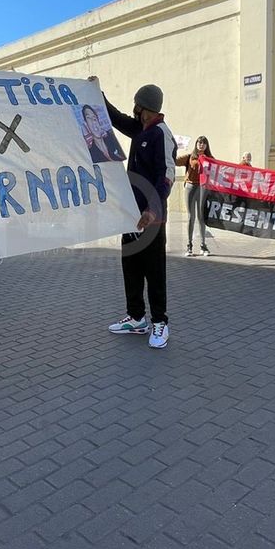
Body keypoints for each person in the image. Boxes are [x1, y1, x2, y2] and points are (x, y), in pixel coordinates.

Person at [95, 79, 176, 349]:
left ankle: (160, 323)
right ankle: (137, 318)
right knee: (131, 268)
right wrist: (98, 94)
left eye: (137, 106)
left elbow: (166, 175)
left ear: (147, 108)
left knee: (154, 272)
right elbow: (115, 118)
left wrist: (152, 210)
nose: (133, 110)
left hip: (151, 219)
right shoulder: (140, 129)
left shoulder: (160, 133)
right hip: (130, 215)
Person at [175, 136, 213, 257]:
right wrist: (172, 148)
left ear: (206, 146)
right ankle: (189, 245)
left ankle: (203, 245)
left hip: (203, 188)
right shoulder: (190, 157)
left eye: (204, 143)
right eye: (199, 143)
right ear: (196, 144)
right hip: (191, 187)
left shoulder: (210, 159)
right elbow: (175, 161)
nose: (201, 145)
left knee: (201, 217)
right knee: (191, 217)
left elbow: (218, 170)